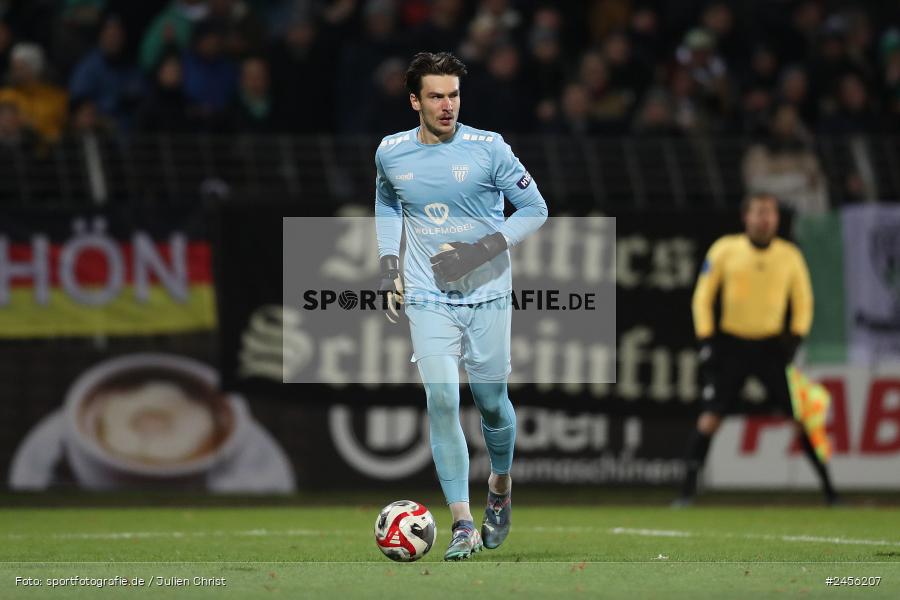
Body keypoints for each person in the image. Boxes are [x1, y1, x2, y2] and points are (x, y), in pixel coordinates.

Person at [374, 51, 547, 561]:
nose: (447, 105)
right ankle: (462, 523)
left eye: (453, 94)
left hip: (489, 292)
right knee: (443, 400)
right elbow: (387, 201)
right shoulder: (390, 152)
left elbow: (536, 207)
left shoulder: (488, 148)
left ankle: (499, 484)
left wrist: (478, 250)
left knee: (492, 404)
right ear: (415, 101)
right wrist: (390, 265)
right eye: (435, 95)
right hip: (428, 294)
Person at [674, 193, 839, 507]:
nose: (765, 219)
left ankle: (831, 492)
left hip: (772, 348)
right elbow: (703, 297)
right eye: (759, 212)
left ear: (777, 219)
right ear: (745, 217)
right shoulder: (725, 250)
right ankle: (685, 494)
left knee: (801, 417)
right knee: (710, 418)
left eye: (771, 213)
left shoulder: (789, 255)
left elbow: (803, 300)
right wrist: (706, 338)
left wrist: (796, 335)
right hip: (731, 346)